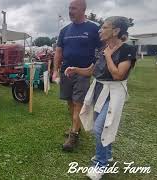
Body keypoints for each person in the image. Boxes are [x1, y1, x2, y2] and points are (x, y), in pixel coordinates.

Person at [64, 16, 136, 180]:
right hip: (98, 91)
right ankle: (107, 154)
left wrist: (109, 56)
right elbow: (91, 71)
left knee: (100, 127)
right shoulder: (102, 49)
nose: (100, 30)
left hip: (114, 93)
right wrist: (75, 69)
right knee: (104, 126)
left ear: (116, 31)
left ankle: (100, 164)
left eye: (104, 27)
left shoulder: (127, 50)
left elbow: (118, 75)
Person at [53, 0, 101, 151]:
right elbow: (59, 51)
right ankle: (76, 127)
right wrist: (55, 70)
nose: (70, 11)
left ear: (83, 9)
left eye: (73, 8)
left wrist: (93, 66)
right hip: (66, 71)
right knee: (69, 102)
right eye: (69, 8)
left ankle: (73, 135)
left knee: (78, 103)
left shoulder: (93, 28)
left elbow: (102, 50)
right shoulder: (65, 30)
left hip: (83, 72)